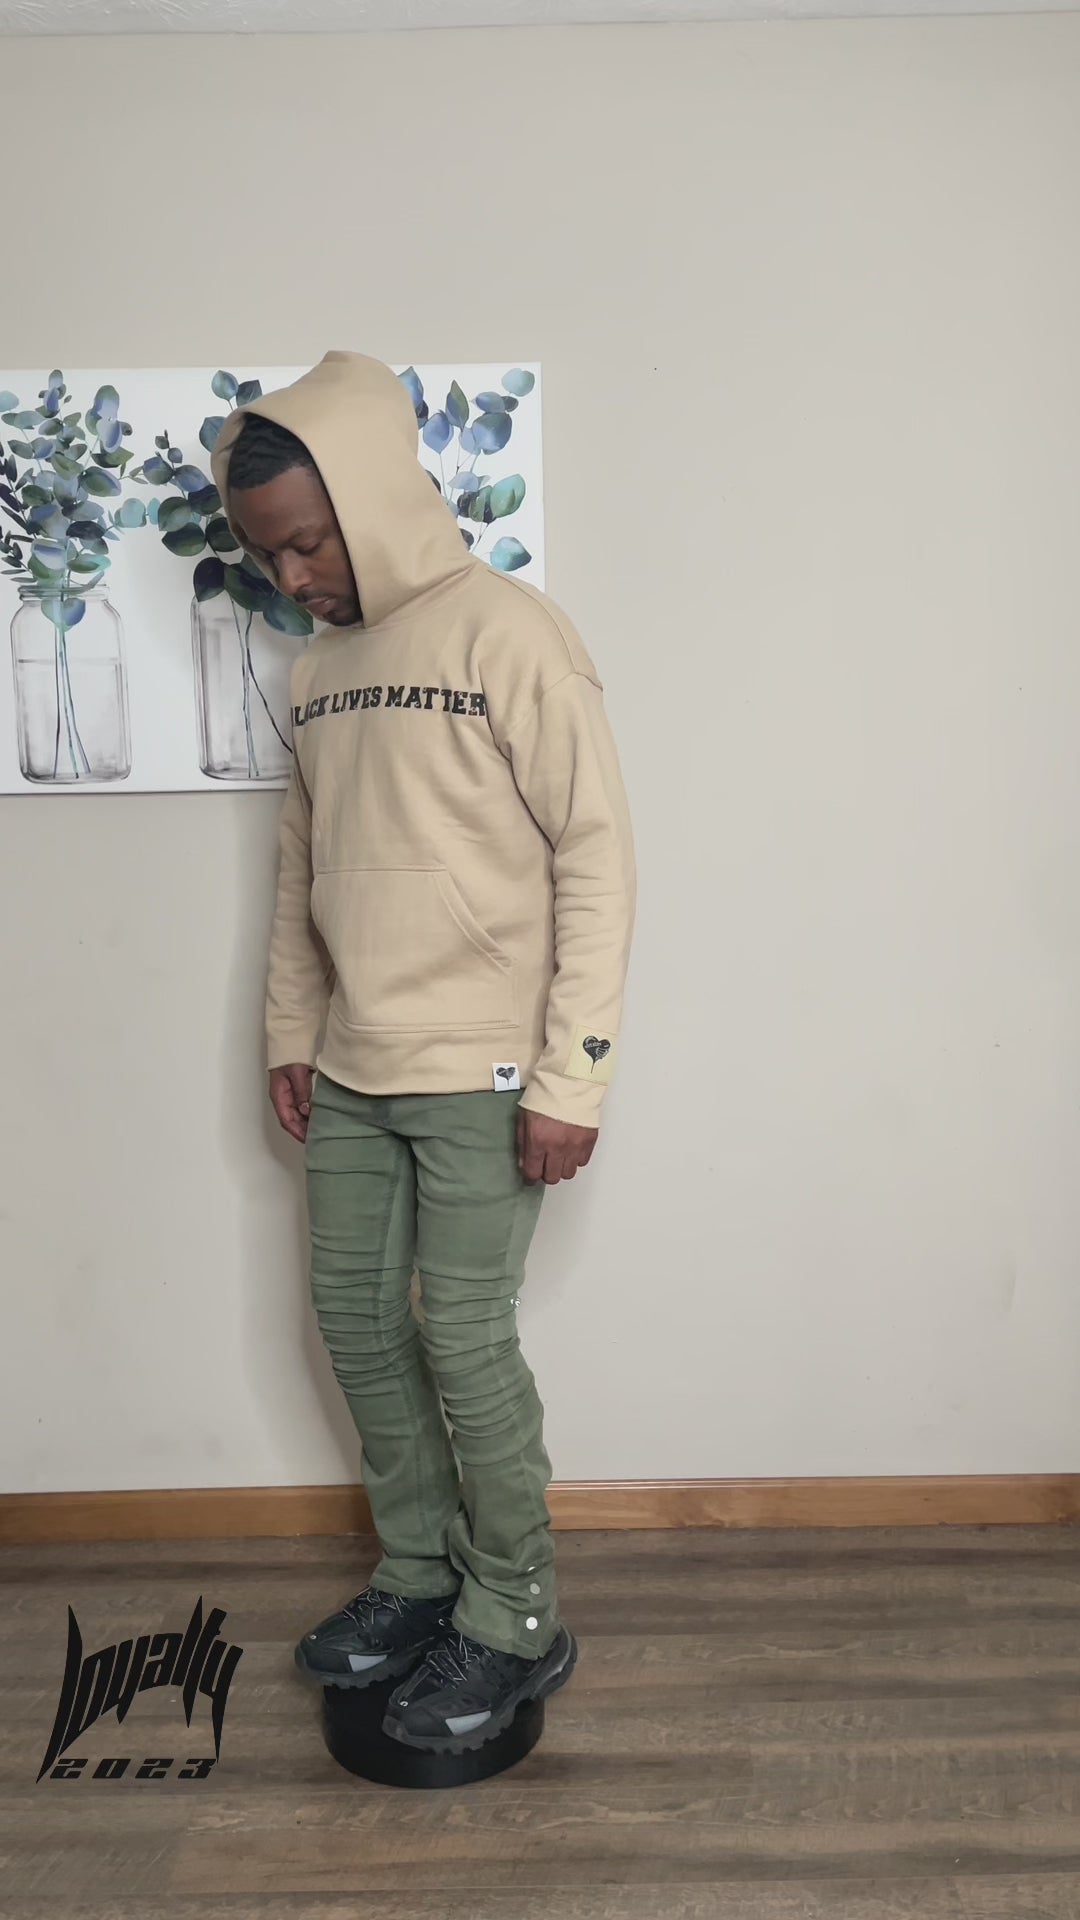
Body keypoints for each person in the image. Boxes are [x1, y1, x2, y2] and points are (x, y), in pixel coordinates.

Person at [210, 351, 636, 1754]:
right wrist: (291, 1031)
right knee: (354, 1324)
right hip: (352, 1065)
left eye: (308, 543)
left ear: (373, 498)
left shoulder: (511, 634)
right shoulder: (323, 668)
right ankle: (419, 1573)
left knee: (460, 1336)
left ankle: (515, 1613)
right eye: (268, 556)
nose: (292, 577)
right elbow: (303, 870)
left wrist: (575, 1073)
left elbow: (596, 858)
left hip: (486, 1072)